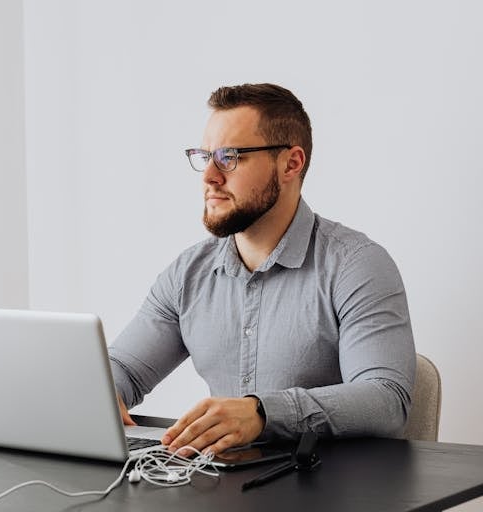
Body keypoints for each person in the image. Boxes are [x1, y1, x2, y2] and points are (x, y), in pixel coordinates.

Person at [108, 83, 415, 455]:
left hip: (329, 490)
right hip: (222, 489)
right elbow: (123, 368)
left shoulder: (356, 265)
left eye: (230, 156)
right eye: (204, 156)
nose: (209, 176)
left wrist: (263, 413)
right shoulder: (188, 274)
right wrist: (104, 393)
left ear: (291, 163)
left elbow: (386, 399)